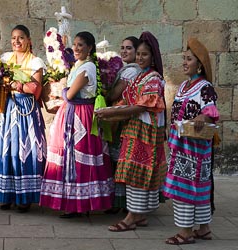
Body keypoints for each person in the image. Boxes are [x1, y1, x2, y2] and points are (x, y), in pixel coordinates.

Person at [95, 31, 167, 232]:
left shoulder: (153, 78)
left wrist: (110, 112)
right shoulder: (140, 77)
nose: (140, 58)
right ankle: (139, 215)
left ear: (153, 57)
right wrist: (111, 112)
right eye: (139, 54)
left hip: (145, 131)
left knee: (135, 171)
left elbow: (141, 107)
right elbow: (127, 101)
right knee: (132, 171)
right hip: (134, 129)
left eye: (144, 54)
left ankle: (131, 217)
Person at [39, 31, 114, 218]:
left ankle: (80, 203)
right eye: (75, 44)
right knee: (70, 157)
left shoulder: (87, 67)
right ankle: (74, 203)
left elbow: (70, 94)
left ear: (90, 47)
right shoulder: (79, 65)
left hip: (79, 116)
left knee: (78, 156)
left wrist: (62, 90)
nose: (77, 48)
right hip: (74, 114)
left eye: (81, 45)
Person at [163, 38, 219, 245]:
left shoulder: (205, 87)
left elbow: (211, 111)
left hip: (194, 148)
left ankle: (186, 232)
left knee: (187, 187)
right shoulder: (184, 86)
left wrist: (201, 118)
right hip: (181, 145)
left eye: (189, 59)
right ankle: (203, 229)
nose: (184, 63)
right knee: (196, 186)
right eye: (183, 59)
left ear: (200, 64)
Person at [0, 25, 47, 213]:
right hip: (6, 109)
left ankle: (24, 197)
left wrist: (16, 84)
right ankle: (5, 194)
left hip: (26, 110)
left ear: (28, 40)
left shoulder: (36, 62)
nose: (16, 41)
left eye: (21, 38)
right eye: (13, 38)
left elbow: (35, 90)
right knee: (5, 148)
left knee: (23, 150)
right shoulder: (4, 59)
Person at [104, 36, 141, 214]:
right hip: (119, 117)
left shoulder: (132, 72)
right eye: (122, 47)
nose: (124, 51)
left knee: (119, 160)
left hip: (123, 118)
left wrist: (104, 91)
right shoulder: (127, 69)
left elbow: (114, 95)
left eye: (129, 48)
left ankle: (123, 202)